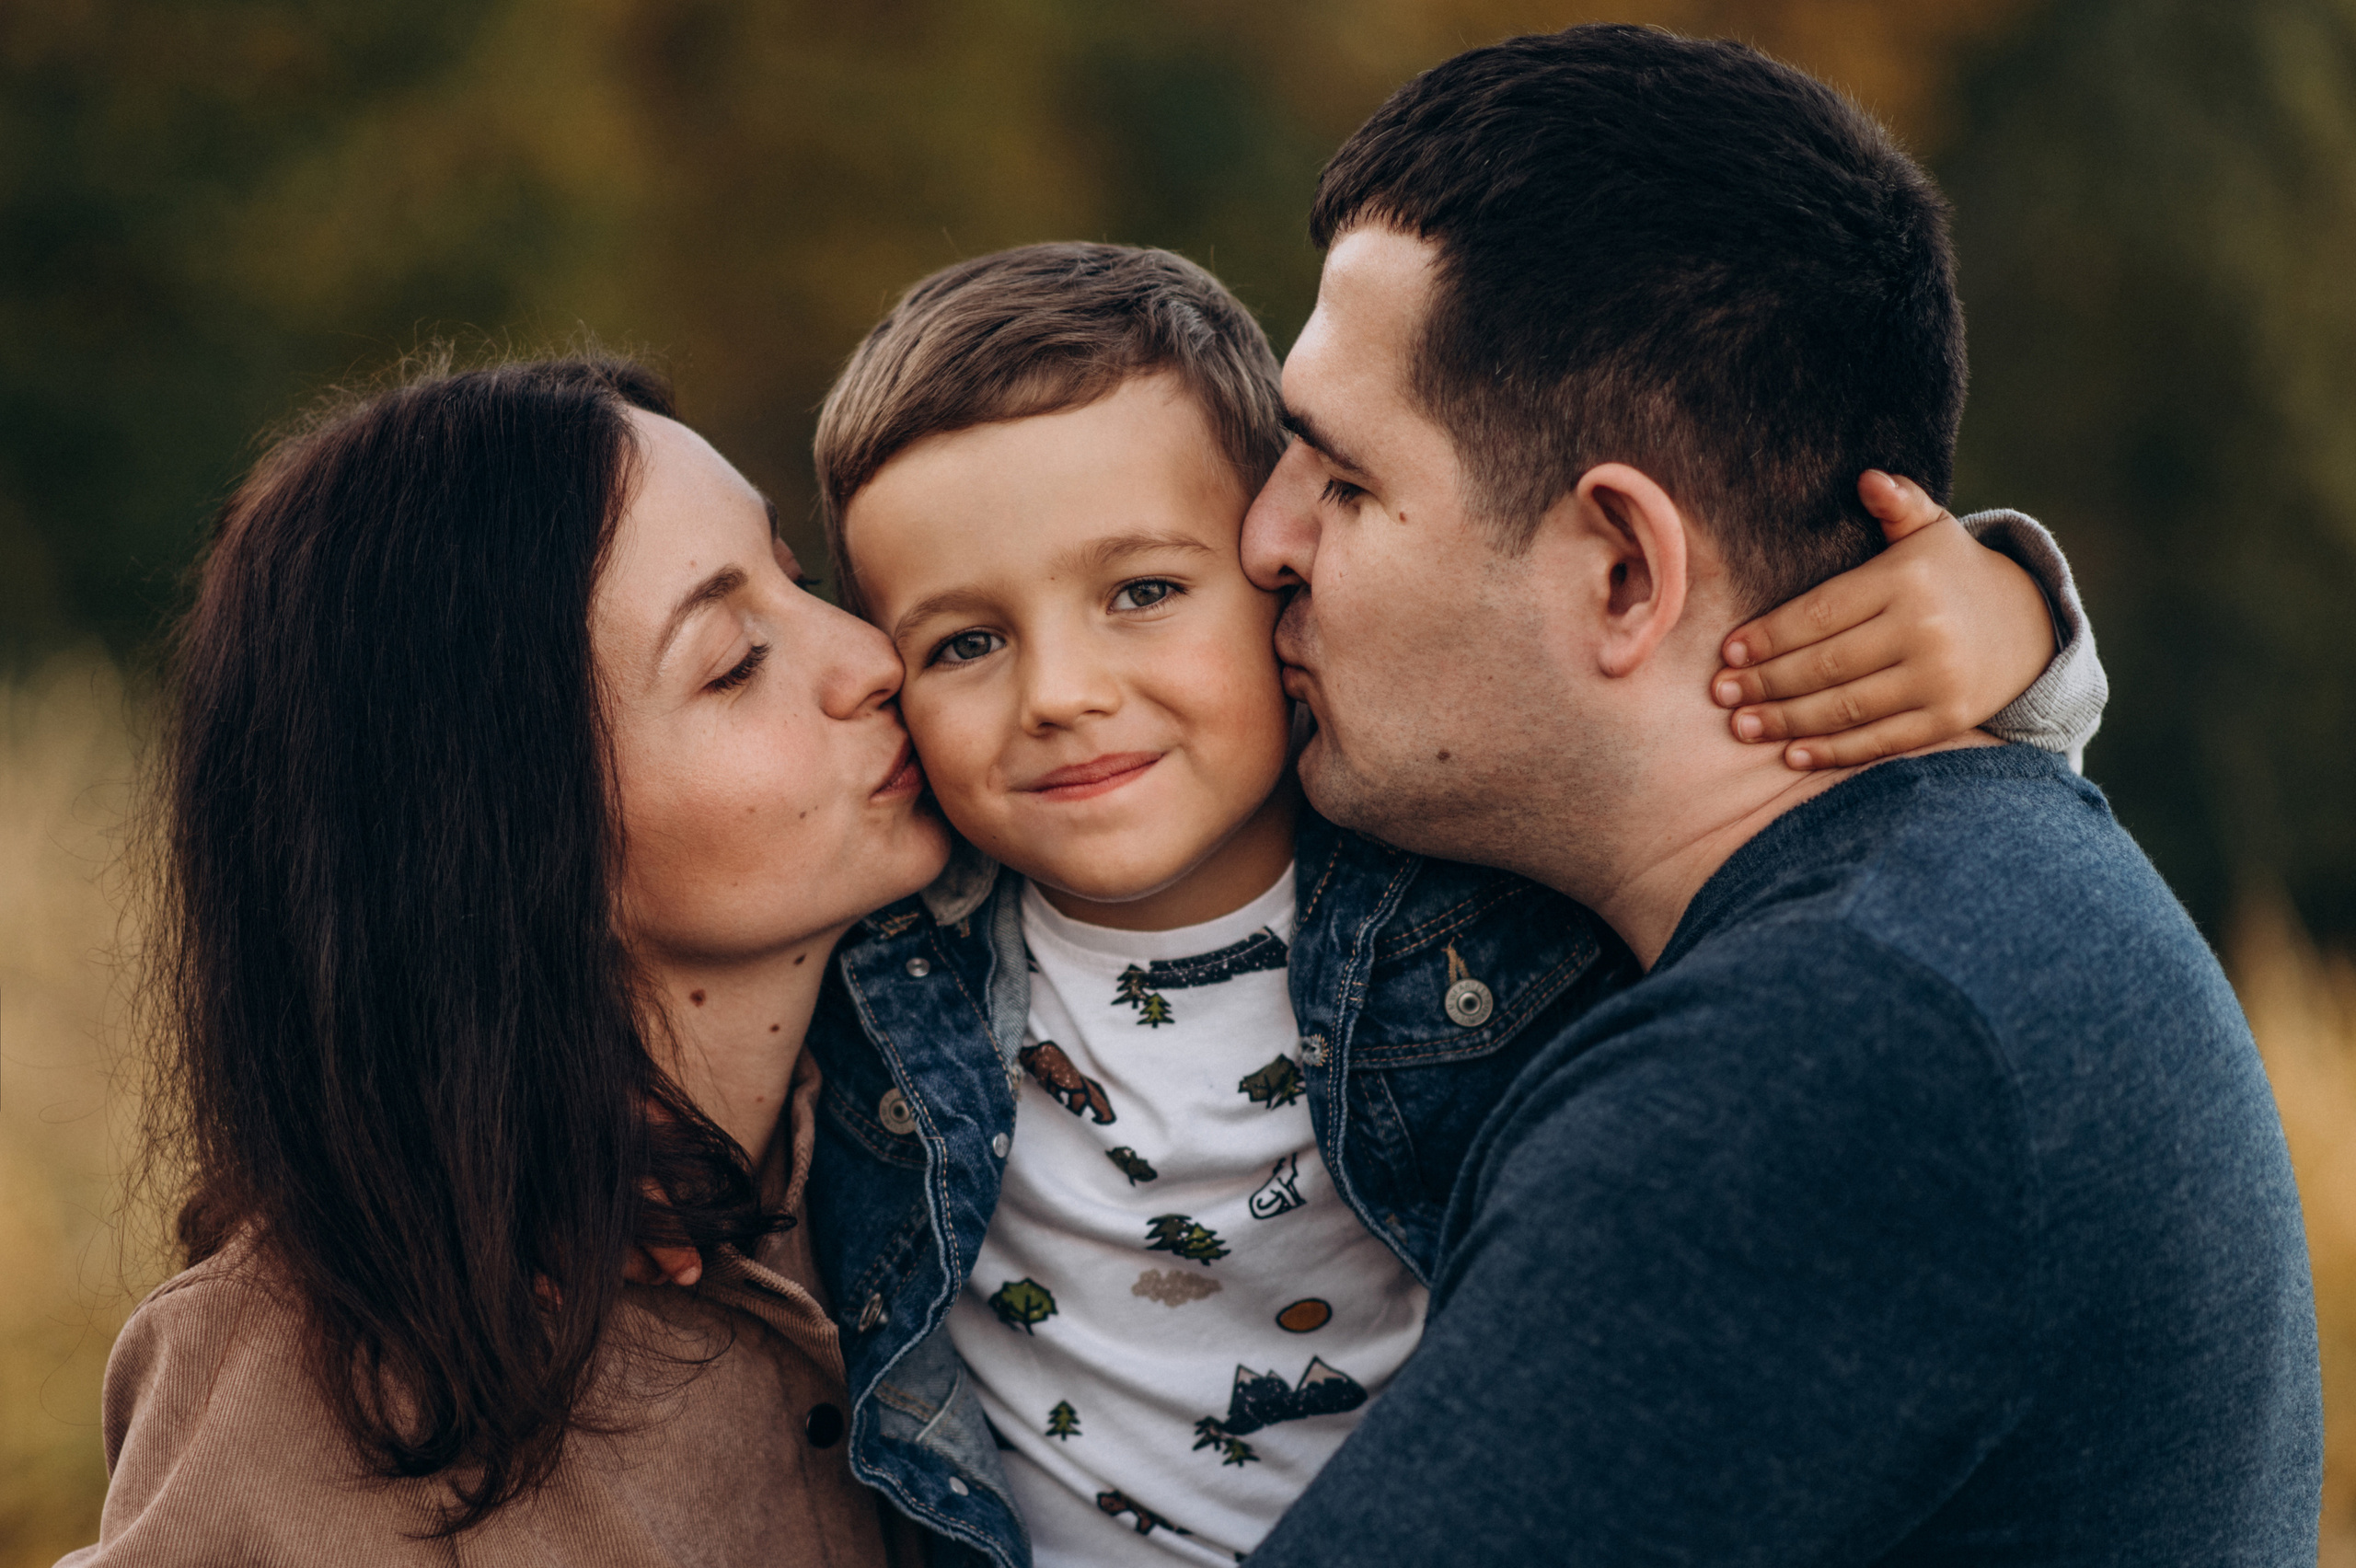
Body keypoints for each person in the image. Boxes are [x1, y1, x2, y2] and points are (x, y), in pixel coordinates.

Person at [791, 243, 2108, 1568]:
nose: (1060, 691)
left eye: (1142, 593)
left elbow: (1821, 783)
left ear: (1283, 573)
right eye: (966, 643)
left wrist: (2013, 616)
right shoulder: (882, 963)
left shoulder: (1477, 876)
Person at [1230, 25, 2321, 1563]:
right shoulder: (1963, 899)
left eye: (1342, 481)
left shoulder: (1832, 1057)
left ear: (1623, 572)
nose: (1264, 539)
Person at [63, 357, 946, 1565]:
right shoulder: (298, 1384)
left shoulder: (963, 1135)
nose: (871, 658)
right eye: (735, 660)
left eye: (799, 580)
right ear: (512, 844)